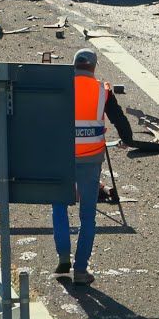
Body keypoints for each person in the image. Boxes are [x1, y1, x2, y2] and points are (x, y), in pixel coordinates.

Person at [56, 49, 134, 285]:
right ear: (94, 67)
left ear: (73, 66)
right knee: (87, 215)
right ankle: (81, 269)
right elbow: (119, 119)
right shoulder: (102, 90)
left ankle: (62, 257)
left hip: (61, 156)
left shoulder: (60, 86)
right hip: (90, 158)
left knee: (59, 208)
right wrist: (128, 141)